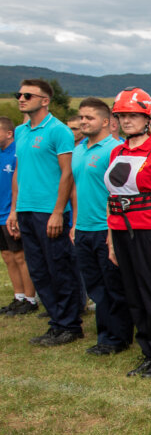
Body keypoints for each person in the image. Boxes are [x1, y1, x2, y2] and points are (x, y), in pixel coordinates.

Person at [104, 87, 151, 377]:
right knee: (134, 294)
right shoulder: (117, 151)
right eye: (122, 116)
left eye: (133, 115)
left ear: (147, 117)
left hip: (148, 232)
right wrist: (111, 240)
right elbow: (112, 198)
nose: (127, 121)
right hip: (121, 233)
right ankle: (148, 352)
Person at [6, 79, 83, 346]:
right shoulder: (20, 130)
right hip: (26, 210)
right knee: (38, 271)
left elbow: (67, 173)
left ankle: (70, 325)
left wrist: (58, 211)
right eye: (19, 94)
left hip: (49, 211)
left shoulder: (58, 130)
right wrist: (14, 210)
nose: (21, 98)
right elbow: (19, 171)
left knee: (58, 267)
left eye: (28, 95)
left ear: (45, 100)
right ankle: (56, 321)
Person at [70, 99, 131, 355]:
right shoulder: (79, 149)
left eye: (89, 118)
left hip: (105, 228)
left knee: (112, 285)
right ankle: (105, 332)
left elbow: (118, 193)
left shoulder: (115, 150)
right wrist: (74, 223)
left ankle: (116, 337)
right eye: (81, 117)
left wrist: (110, 232)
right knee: (95, 285)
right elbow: (76, 187)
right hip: (83, 227)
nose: (84, 122)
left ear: (106, 122)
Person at [0, 116, 37, 316]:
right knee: (7, 256)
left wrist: (15, 210)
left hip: (11, 213)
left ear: (9, 133)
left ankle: (31, 299)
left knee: (21, 256)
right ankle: (19, 296)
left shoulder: (18, 153)